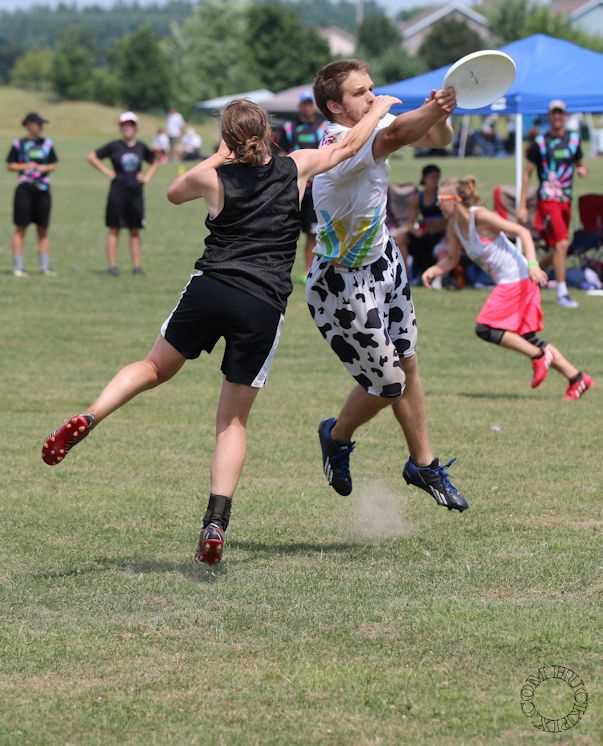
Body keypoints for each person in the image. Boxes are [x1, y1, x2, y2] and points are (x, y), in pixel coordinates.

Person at [41, 95, 401, 565]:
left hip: (211, 288)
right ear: (268, 132)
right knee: (232, 422)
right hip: (262, 305)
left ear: (227, 139)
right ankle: (215, 522)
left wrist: (218, 156)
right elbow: (349, 146)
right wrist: (377, 108)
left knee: (153, 367)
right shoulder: (296, 166)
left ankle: (90, 416)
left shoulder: (212, 177)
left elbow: (173, 193)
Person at [306, 59, 468, 513]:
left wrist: (440, 113)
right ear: (335, 106)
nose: (372, 97)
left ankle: (424, 464)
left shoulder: (373, 122)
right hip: (341, 282)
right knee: (388, 384)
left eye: (372, 88)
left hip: (384, 263)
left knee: (408, 363)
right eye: (360, 92)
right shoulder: (337, 143)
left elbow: (436, 139)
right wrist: (395, 111)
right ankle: (336, 436)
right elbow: (395, 135)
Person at [422, 177, 593, 400]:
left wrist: (533, 265)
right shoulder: (454, 226)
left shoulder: (481, 217)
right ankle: (577, 378)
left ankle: (540, 356)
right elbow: (452, 258)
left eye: (441, 199)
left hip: (518, 278)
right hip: (512, 281)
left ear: (455, 200)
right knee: (526, 338)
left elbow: (522, 232)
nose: (438, 204)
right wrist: (434, 270)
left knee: (485, 328)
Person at [518, 99, 588, 309]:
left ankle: (530, 276)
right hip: (548, 199)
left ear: (565, 116)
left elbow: (581, 164)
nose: (557, 116)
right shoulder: (540, 142)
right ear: (549, 116)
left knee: (559, 247)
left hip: (566, 199)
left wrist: (582, 170)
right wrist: (522, 205)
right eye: (554, 113)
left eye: (560, 113)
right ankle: (562, 293)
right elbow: (527, 173)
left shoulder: (574, 140)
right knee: (562, 244)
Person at [87, 111, 159, 276]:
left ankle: (137, 266)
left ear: (135, 128)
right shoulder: (114, 146)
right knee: (114, 229)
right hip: (117, 192)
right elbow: (91, 156)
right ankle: (112, 266)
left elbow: (155, 161)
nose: (127, 128)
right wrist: (107, 172)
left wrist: (147, 177)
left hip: (135, 193)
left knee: (135, 229)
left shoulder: (141, 147)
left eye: (130, 125)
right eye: (124, 125)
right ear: (120, 128)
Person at [278, 91, 329, 278]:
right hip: (293, 187)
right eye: (304, 104)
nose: (307, 107)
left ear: (314, 106)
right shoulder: (289, 128)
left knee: (313, 233)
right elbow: (281, 154)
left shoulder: (324, 126)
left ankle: (308, 272)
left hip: (315, 188)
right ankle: (281, 269)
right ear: (299, 106)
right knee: (285, 231)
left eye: (310, 103)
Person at [6, 112, 58, 277]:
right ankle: (18, 267)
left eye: (42, 124)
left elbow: (53, 164)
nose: (41, 127)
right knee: (20, 228)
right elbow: (10, 164)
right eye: (38, 123)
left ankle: (44, 267)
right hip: (25, 189)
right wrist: (26, 166)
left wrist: (45, 168)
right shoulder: (19, 144)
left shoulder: (47, 143)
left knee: (43, 229)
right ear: (28, 124)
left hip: (43, 190)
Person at [397, 163, 448, 285]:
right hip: (424, 234)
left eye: (437, 177)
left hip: (440, 235)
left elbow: (449, 219)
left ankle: (437, 279)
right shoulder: (418, 198)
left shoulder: (442, 196)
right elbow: (410, 223)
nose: (436, 180)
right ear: (424, 178)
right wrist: (415, 230)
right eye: (433, 177)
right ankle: (404, 275)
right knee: (401, 239)